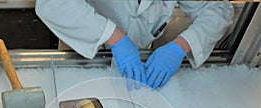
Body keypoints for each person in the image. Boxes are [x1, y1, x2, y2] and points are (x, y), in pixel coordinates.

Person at [36, 0, 233, 89]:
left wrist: (181, 45)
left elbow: (217, 9)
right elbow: (52, 3)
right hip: (81, 57)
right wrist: (114, 36)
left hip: (138, 62)